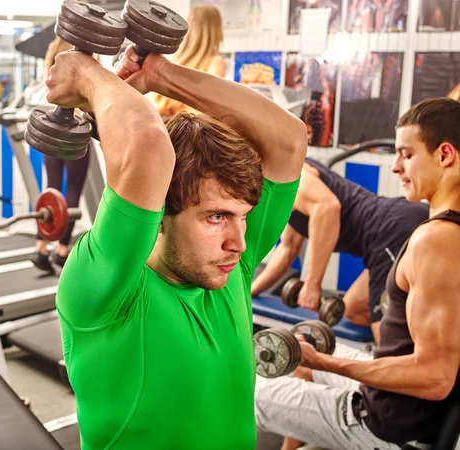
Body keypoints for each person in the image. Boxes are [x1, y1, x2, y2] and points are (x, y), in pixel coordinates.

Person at [45, 39, 307, 448]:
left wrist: (160, 75)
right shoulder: (105, 291)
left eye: (242, 215)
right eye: (217, 216)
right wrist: (85, 73)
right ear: (160, 213)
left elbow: (289, 138)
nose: (239, 243)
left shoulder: (229, 269)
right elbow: (147, 147)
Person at [255, 97, 460, 450]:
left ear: (444, 155)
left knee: (245, 391)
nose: (396, 167)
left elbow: (435, 376)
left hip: (388, 424)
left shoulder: (435, 240)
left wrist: (326, 361)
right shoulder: (443, 231)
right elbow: (287, 249)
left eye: (406, 154)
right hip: (404, 409)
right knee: (304, 363)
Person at [250, 157, 429, 343]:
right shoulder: (283, 192)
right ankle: (418, 349)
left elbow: (327, 208)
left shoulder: (290, 174)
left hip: (392, 231)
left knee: (387, 342)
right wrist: (249, 292)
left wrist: (312, 285)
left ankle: (410, 362)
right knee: (353, 309)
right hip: (390, 232)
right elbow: (287, 250)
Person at [31, 36, 91, 272]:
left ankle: (41, 247)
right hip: (74, 129)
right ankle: (62, 250)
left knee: (51, 188)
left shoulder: (54, 48)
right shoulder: (84, 54)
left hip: (52, 127)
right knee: (73, 191)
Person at [151, 4, 227, 117]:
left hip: (168, 124)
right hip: (191, 128)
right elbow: (209, 108)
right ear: (217, 30)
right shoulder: (216, 62)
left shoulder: (176, 60)